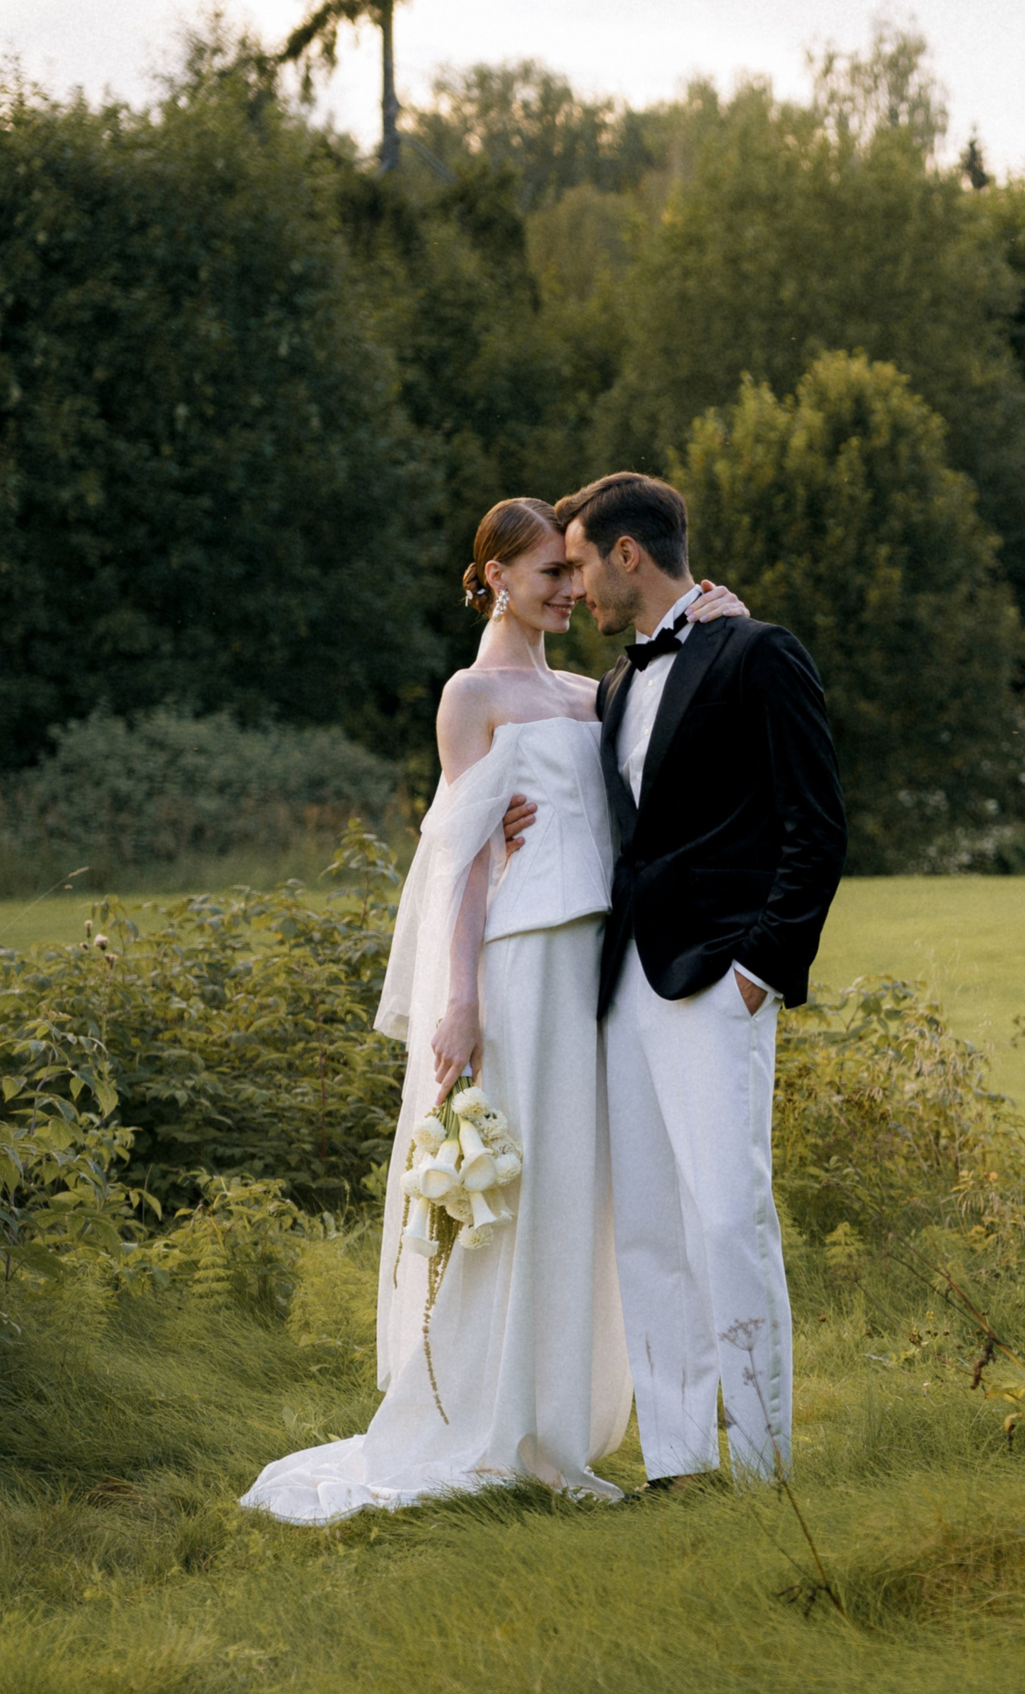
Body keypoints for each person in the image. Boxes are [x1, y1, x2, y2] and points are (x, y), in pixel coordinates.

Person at [240, 499, 749, 1522]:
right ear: (495, 580)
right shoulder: (470, 695)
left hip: (596, 965)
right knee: (516, 1187)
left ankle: (558, 1423)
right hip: (518, 964)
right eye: (547, 573)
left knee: (579, 1185)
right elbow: (460, 855)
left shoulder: (587, 692)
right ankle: (498, 1420)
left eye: (572, 572)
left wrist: (721, 617)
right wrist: (461, 998)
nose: (569, 588)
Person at [557, 471, 844, 1487]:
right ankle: (678, 1462)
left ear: (627, 554)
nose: (578, 587)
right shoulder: (615, 682)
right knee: (647, 1228)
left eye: (583, 562)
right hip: (624, 983)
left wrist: (760, 967)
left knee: (727, 1214)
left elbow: (817, 824)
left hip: (719, 977)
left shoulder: (758, 652)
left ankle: (766, 1467)